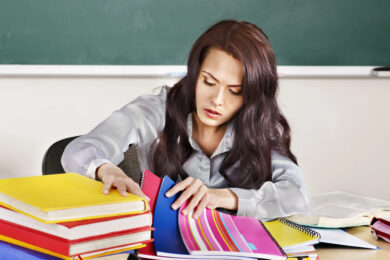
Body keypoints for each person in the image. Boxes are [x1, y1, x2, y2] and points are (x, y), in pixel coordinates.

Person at [62, 20, 309, 221]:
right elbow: (78, 151)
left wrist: (220, 197)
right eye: (208, 82)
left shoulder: (257, 126)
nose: (217, 100)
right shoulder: (157, 109)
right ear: (194, 72)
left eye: (235, 91)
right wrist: (106, 169)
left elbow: (297, 195)